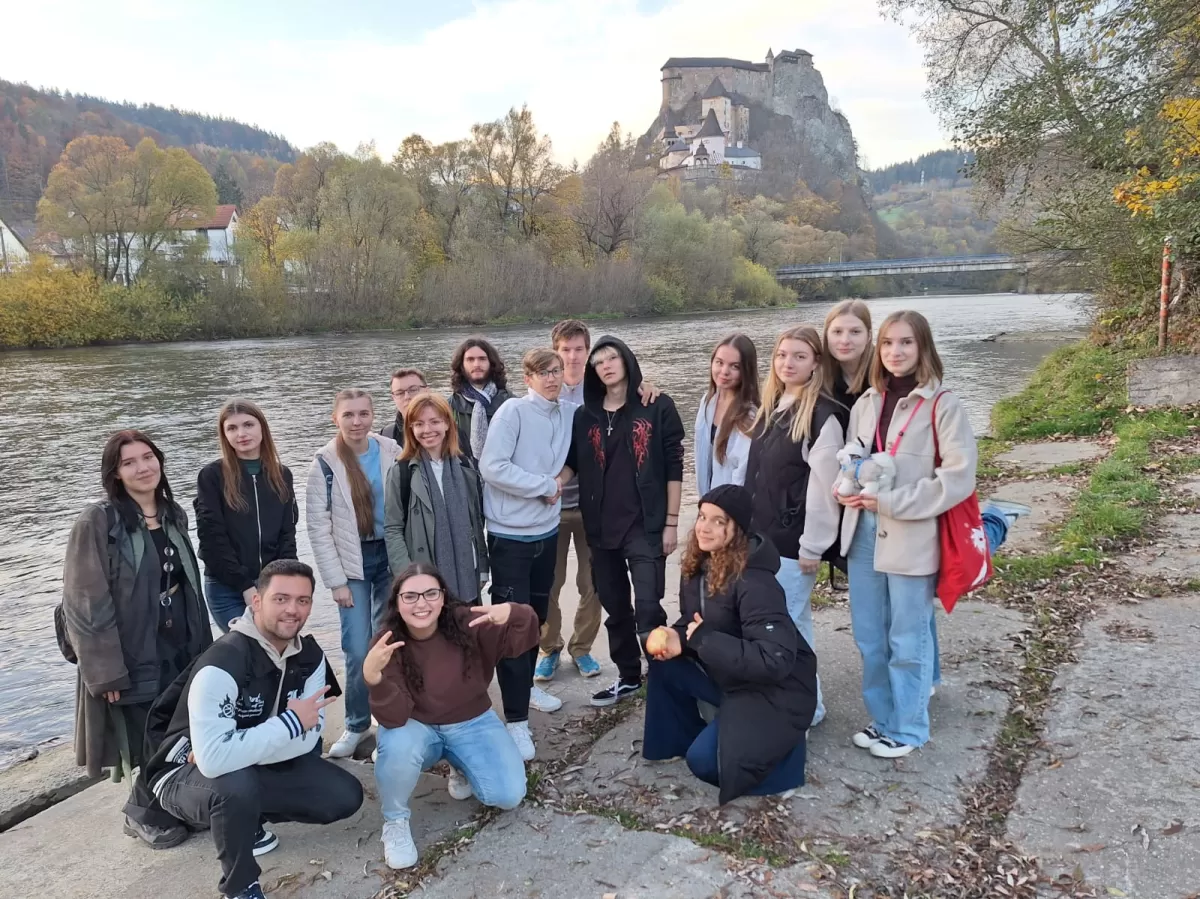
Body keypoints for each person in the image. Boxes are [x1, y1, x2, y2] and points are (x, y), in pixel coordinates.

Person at [130, 560, 364, 899]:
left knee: (343, 795)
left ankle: (244, 818)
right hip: (180, 771)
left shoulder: (310, 657)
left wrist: (241, 748)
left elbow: (308, 741)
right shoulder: (222, 662)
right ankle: (240, 887)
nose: (292, 610)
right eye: (281, 598)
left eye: (303, 600)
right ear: (256, 601)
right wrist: (290, 723)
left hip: (237, 765)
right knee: (232, 785)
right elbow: (211, 762)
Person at [836, 310, 978, 759]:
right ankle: (883, 720)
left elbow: (958, 479)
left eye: (906, 343)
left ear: (923, 348)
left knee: (907, 637)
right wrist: (849, 487)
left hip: (912, 533)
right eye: (888, 344)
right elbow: (855, 457)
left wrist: (893, 502)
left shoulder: (943, 404)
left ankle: (910, 728)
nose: (895, 352)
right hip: (862, 532)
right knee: (869, 636)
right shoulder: (865, 403)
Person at [61, 429, 212, 847]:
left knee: (177, 725)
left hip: (179, 641)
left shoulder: (172, 513)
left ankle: (173, 798)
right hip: (131, 649)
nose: (142, 467)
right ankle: (141, 812)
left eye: (148, 457)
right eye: (129, 462)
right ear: (116, 472)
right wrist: (105, 672)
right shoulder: (98, 521)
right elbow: (84, 602)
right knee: (142, 730)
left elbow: (186, 580)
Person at [642, 485, 815, 804]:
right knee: (663, 660)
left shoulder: (756, 582)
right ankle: (683, 738)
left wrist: (704, 639)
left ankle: (786, 752)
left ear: (737, 529)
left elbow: (774, 660)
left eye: (718, 521)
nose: (704, 527)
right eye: (702, 517)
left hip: (774, 689)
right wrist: (676, 637)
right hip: (730, 672)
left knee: (706, 764)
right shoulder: (699, 565)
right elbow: (693, 621)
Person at [368, 563, 536, 870]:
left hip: (472, 720)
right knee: (396, 745)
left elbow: (522, 641)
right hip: (417, 726)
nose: (422, 603)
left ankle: (460, 763)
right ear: (396, 602)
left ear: (444, 596)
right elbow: (392, 718)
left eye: (431, 593)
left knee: (509, 795)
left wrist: (515, 612)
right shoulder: (387, 642)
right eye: (410, 596)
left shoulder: (467, 622)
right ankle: (395, 822)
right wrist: (374, 680)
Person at [536, 321, 661, 684]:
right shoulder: (545, 389)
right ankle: (549, 647)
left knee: (592, 583)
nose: (572, 357)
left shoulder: (602, 389)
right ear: (555, 352)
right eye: (565, 350)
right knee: (549, 583)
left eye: (579, 350)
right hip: (552, 506)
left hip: (595, 507)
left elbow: (633, 408)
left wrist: (646, 387)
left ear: (588, 353)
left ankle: (582, 647)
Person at [563, 336, 685, 708]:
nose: (606, 365)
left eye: (612, 357)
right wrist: (547, 486)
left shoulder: (657, 405)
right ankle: (629, 677)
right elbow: (572, 463)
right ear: (593, 372)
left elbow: (674, 465)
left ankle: (665, 681)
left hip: (646, 527)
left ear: (627, 361)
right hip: (601, 530)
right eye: (598, 362)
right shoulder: (586, 415)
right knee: (616, 608)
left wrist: (671, 523)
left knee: (649, 606)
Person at [744, 326, 847, 727]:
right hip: (763, 538)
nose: (788, 363)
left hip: (792, 544)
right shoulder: (776, 405)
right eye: (782, 355)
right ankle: (811, 705)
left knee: (781, 628)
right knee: (796, 624)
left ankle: (793, 709)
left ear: (816, 363)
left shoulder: (822, 415)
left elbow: (825, 490)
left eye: (799, 356)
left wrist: (813, 546)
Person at [477, 348, 573, 759]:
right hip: (510, 535)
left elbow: (574, 462)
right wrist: (544, 486)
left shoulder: (568, 412)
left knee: (538, 619)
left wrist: (559, 480)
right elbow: (491, 466)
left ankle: (528, 687)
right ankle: (515, 721)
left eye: (556, 371)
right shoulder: (513, 412)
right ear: (528, 378)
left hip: (547, 532)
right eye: (542, 373)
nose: (551, 378)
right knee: (512, 626)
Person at [306, 388, 402, 759]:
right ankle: (357, 723)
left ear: (372, 415)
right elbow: (318, 526)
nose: (357, 421)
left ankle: (389, 720)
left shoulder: (391, 451)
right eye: (349, 415)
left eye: (363, 414)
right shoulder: (326, 464)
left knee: (387, 642)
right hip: (352, 561)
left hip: (389, 555)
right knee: (358, 647)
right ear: (336, 419)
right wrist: (336, 582)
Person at [195, 400, 299, 632]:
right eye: (232, 428)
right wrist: (244, 586)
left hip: (272, 584)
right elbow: (212, 538)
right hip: (227, 587)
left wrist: (287, 578)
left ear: (262, 427)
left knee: (277, 650)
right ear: (224, 434)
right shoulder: (212, 476)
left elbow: (287, 534)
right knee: (251, 646)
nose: (241, 433)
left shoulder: (282, 475)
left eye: (248, 425)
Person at [384, 391, 488, 606]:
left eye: (434, 422)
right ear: (411, 429)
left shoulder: (465, 466)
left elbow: (475, 523)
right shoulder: (401, 472)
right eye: (419, 424)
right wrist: (408, 576)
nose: (427, 430)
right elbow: (393, 528)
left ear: (447, 424)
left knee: (467, 634)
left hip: (468, 574)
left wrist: (483, 567)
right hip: (423, 580)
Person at [694, 332, 760, 495]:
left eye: (734, 366)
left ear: (746, 370)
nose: (724, 371)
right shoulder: (707, 402)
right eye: (719, 362)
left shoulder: (749, 415)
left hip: (730, 506)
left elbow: (742, 473)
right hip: (707, 499)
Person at [449, 337, 513, 462]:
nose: (476, 364)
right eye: (470, 359)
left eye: (482, 359)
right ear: (461, 365)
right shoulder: (450, 406)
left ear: (491, 363)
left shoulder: (511, 403)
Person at [381, 368, 429, 445]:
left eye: (413, 390)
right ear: (393, 398)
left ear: (427, 391)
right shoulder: (387, 436)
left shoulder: (447, 431)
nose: (407, 397)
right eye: (399, 393)